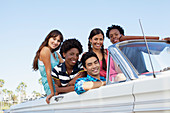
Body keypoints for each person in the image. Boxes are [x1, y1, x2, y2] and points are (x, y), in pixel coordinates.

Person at [33, 30, 64, 104]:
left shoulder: (56, 54)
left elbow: (66, 66)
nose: (56, 42)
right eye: (54, 39)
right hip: (50, 86)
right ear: (48, 38)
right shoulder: (45, 50)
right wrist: (52, 92)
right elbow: (48, 72)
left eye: (58, 41)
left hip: (58, 84)